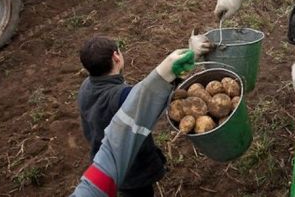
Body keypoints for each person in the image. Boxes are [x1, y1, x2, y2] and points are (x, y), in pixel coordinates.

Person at [72, 34, 212, 197]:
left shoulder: (86, 86)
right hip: (133, 168)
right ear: (116, 57)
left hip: (102, 159)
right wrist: (190, 54)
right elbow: (148, 97)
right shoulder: (120, 97)